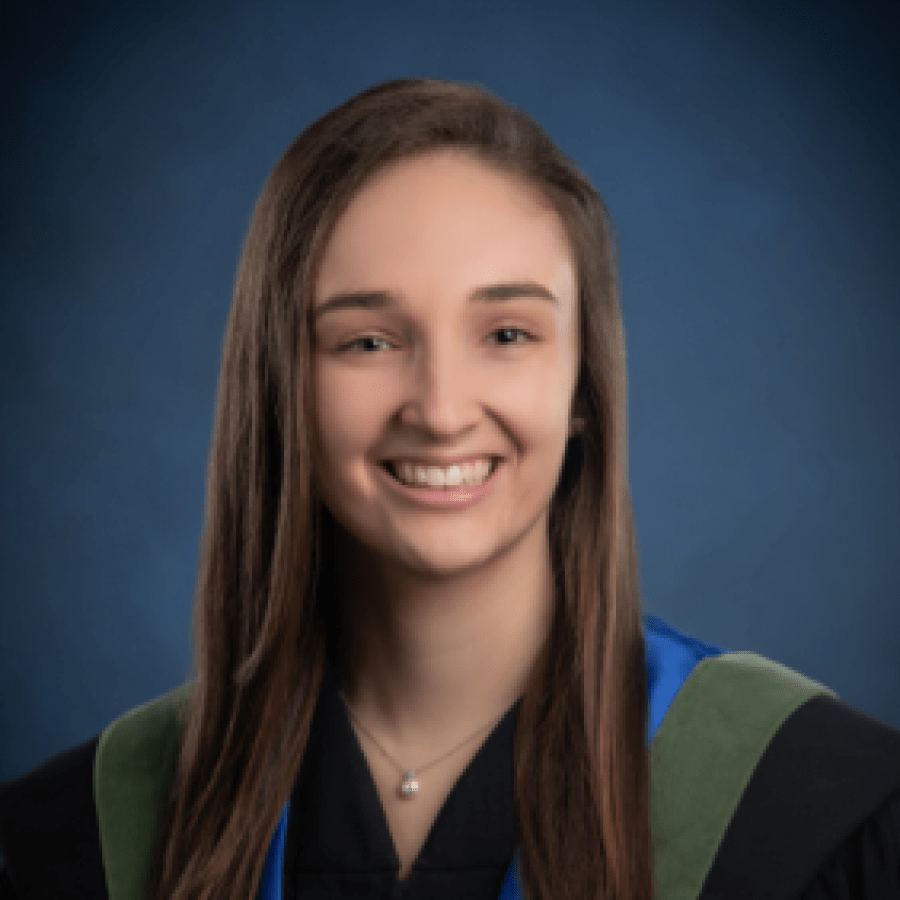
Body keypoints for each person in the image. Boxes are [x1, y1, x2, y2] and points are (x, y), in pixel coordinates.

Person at [1, 76, 898, 900]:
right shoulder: (79, 837)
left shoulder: (811, 809)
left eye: (506, 334)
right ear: (282, 387)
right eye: (369, 341)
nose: (438, 410)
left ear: (584, 387)